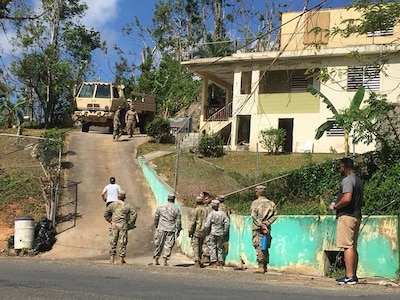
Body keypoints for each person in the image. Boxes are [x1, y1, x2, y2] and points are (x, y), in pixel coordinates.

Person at [329, 157, 363, 285]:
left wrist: (335, 206)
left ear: (345, 166)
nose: (339, 169)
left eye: (340, 167)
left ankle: (349, 276)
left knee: (347, 246)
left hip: (347, 216)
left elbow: (347, 198)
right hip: (356, 216)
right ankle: (353, 274)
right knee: (353, 246)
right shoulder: (358, 180)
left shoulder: (347, 180)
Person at [104, 191, 137, 264]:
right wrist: (130, 223)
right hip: (123, 225)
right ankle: (121, 258)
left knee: (113, 241)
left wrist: (110, 221)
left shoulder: (112, 205)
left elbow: (106, 214)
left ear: (117, 197)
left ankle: (111, 258)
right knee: (123, 241)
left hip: (114, 225)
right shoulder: (127, 206)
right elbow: (134, 214)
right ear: (124, 198)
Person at [250, 185, 277, 274]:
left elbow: (254, 216)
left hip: (258, 228)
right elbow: (275, 216)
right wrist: (267, 223)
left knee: (259, 245)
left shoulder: (255, 203)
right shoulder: (271, 203)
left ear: (257, 192)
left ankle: (261, 266)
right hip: (267, 228)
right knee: (265, 246)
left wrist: (261, 225)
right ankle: (265, 265)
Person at [153, 194, 182, 266]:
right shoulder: (176, 209)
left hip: (161, 228)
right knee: (168, 245)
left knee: (159, 244)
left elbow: (156, 217)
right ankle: (165, 260)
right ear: (174, 199)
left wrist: (156, 225)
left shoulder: (161, 207)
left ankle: (155, 259)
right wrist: (178, 229)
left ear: (167, 199)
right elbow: (178, 221)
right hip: (171, 229)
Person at [204, 199, 229, 269]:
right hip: (220, 232)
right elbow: (227, 223)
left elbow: (207, 225)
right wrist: (224, 231)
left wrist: (207, 232)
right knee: (219, 248)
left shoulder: (211, 214)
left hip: (212, 232)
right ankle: (220, 263)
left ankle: (214, 262)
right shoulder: (222, 214)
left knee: (212, 247)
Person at [188, 195, 208, 268]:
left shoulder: (195, 210)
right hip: (205, 231)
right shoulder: (206, 210)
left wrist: (190, 231)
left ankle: (197, 261)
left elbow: (192, 222)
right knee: (201, 246)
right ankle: (200, 260)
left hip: (197, 231)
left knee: (195, 246)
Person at [200, 191, 213, 265]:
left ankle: (207, 257)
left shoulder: (211, 207)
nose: (205, 200)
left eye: (206, 199)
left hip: (210, 228)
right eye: (204, 199)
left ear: (210, 198)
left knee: (208, 243)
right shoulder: (204, 207)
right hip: (204, 227)